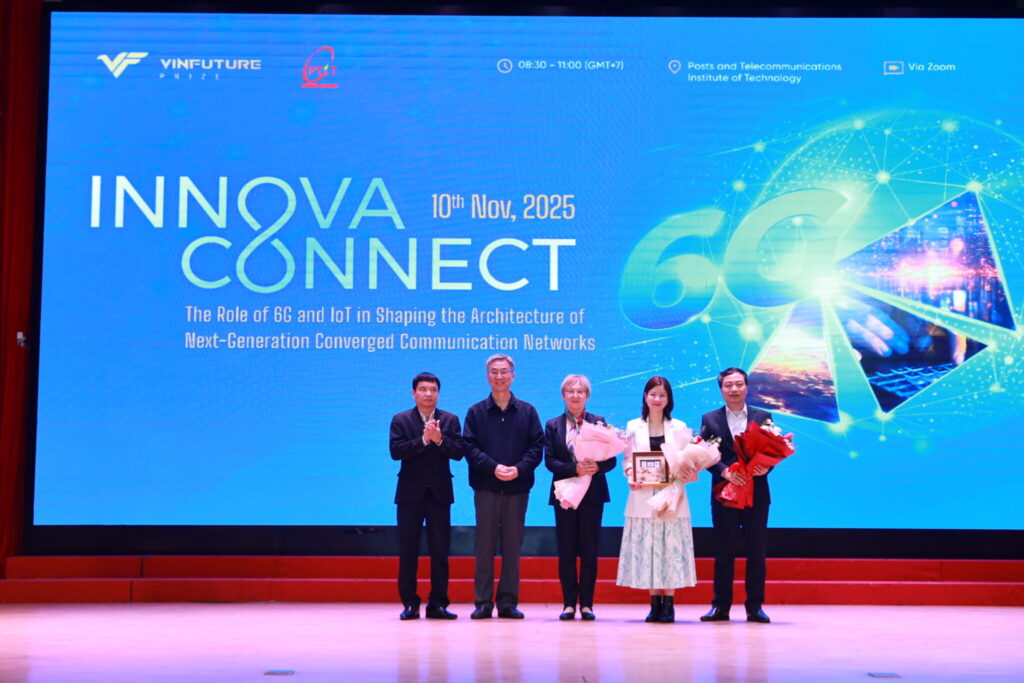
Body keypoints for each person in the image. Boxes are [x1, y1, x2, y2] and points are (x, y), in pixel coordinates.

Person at [463, 354, 544, 619]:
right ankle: (483, 602)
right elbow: (469, 448)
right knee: (484, 546)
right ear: (487, 377)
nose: (499, 376)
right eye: (494, 372)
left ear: (513, 375)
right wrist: (493, 467)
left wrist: (518, 469)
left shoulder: (528, 411)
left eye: (504, 371)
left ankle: (508, 602)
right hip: (486, 487)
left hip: (517, 489)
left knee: (512, 547)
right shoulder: (475, 412)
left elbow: (536, 448)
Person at [616, 376, 697, 623]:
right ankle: (654, 602)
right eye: (653, 394)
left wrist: (686, 470)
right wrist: (631, 475)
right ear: (645, 396)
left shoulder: (680, 427)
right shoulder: (632, 427)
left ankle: (669, 602)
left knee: (670, 549)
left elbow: (688, 460)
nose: (657, 399)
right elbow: (628, 460)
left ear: (668, 399)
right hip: (642, 495)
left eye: (662, 395)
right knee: (648, 548)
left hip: (671, 495)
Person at [699, 367, 773, 624]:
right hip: (725, 494)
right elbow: (703, 455)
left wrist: (767, 466)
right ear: (721, 389)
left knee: (756, 551)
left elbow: (772, 450)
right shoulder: (710, 419)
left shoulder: (763, 416)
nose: (734, 389)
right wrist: (725, 472)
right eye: (728, 385)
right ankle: (720, 607)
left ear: (746, 387)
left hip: (757, 494)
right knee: (723, 551)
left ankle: (755, 607)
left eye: (738, 384)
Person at [389, 372, 464, 621]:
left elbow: (458, 452)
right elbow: (396, 451)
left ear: (438, 393)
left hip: (440, 495)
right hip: (409, 496)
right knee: (408, 551)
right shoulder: (401, 420)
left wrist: (439, 439)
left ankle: (438, 604)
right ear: (413, 393)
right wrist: (423, 439)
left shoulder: (450, 420)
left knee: (440, 552)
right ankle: (410, 604)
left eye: (433, 390)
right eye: (423, 389)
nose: (428, 394)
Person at [543, 374, 616, 621]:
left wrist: (598, 467)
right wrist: (573, 469)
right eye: (570, 391)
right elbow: (550, 462)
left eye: (580, 391)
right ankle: (568, 604)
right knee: (566, 550)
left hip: (593, 495)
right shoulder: (553, 425)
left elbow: (612, 459)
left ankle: (586, 604)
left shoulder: (598, 422)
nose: (575, 395)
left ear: (587, 395)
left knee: (589, 550)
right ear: (563, 395)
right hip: (565, 494)